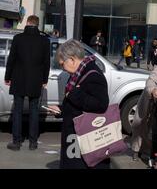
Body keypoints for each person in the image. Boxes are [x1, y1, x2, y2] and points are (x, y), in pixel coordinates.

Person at [49, 39, 110, 169]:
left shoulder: (93, 75)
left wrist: (74, 93)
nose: (62, 68)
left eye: (62, 64)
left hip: (83, 138)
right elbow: (76, 103)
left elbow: (100, 105)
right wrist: (61, 110)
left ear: (71, 59)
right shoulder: (79, 72)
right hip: (75, 136)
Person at [4, 15, 50, 151]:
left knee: (17, 111)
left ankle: (16, 142)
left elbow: (11, 59)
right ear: (37, 24)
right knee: (34, 110)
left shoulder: (18, 38)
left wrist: (8, 76)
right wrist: (44, 79)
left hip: (18, 78)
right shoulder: (44, 41)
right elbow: (46, 63)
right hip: (36, 80)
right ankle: (33, 142)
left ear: (27, 23)